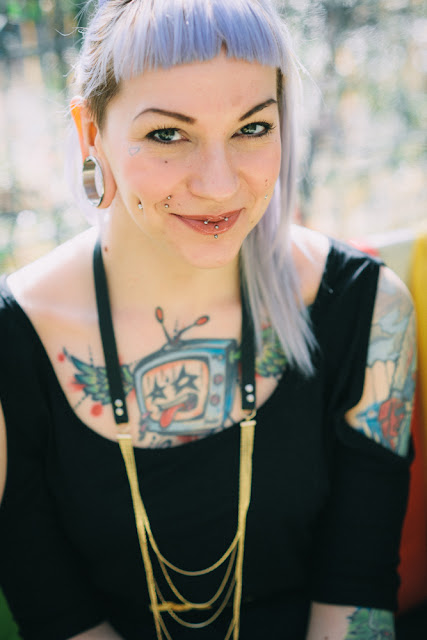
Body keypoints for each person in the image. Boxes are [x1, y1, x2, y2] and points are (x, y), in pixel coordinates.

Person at [0, 0, 416, 638]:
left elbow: (357, 594)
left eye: (253, 128)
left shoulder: (366, 310)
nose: (219, 185)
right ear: (91, 134)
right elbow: (55, 616)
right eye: (168, 135)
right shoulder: (14, 342)